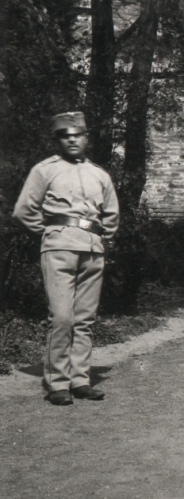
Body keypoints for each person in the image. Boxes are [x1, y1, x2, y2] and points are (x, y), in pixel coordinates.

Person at [13, 112, 120, 405]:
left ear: (86, 137)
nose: (72, 139)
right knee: (61, 317)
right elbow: (24, 211)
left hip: (93, 251)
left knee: (85, 319)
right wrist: (52, 233)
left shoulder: (100, 174)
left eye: (77, 134)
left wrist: (103, 241)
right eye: (65, 135)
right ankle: (58, 383)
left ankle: (80, 380)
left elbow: (111, 215)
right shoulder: (45, 170)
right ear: (58, 139)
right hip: (59, 249)